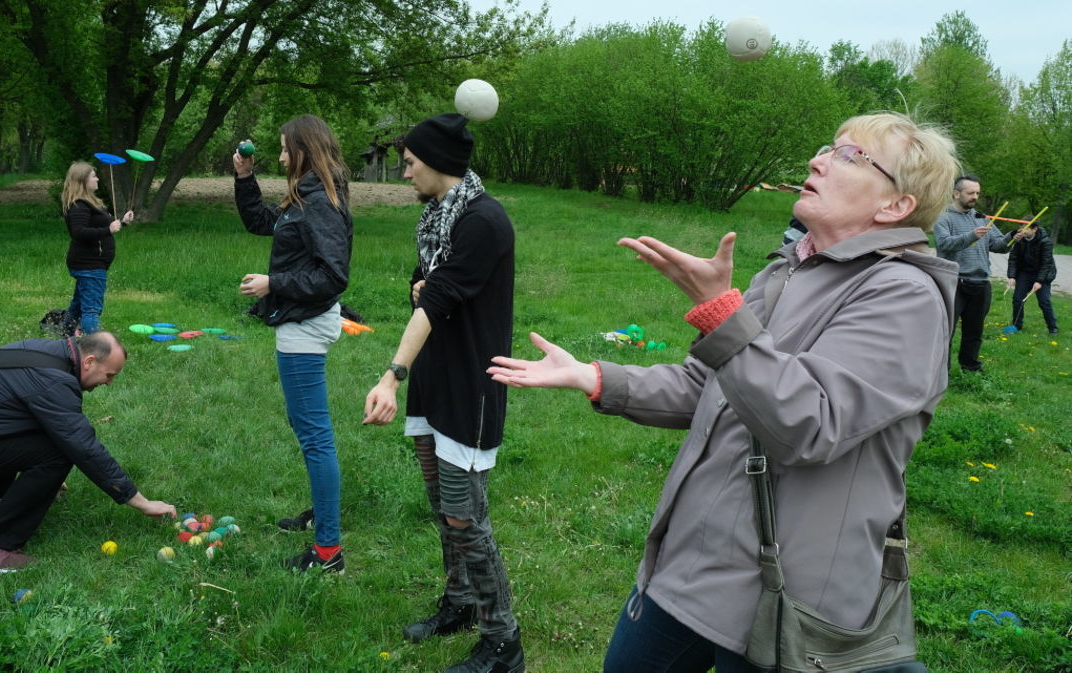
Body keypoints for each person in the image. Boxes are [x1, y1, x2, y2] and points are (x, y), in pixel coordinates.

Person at [489, 112, 958, 673]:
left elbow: (810, 423)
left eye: (850, 156)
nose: (818, 161)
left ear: (894, 207)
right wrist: (595, 377)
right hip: (694, 562)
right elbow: (706, 386)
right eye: (827, 148)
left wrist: (721, 314)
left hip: (788, 595)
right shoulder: (785, 272)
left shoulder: (904, 295)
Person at [363, 113, 523, 673]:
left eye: (409, 163)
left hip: (468, 389)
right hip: (436, 380)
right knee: (441, 506)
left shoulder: (483, 221)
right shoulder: (438, 218)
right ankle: (459, 603)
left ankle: (503, 642)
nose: (405, 173)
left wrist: (391, 375)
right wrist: (419, 288)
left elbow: (438, 299)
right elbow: (426, 289)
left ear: (435, 164)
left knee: (464, 516)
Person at [0, 331, 176, 573]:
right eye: (109, 375)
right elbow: (84, 448)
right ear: (90, 361)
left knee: (46, 440)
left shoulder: (45, 350)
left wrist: (44, 478)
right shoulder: (54, 380)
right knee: (59, 452)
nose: (109, 383)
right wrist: (139, 501)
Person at [234, 115, 353, 574]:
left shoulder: (320, 201)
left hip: (305, 323)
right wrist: (245, 179)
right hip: (302, 320)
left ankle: (328, 553)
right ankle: (321, 515)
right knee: (306, 426)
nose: (280, 156)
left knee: (315, 437)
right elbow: (262, 221)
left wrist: (273, 283)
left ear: (304, 149)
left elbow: (332, 275)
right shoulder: (308, 194)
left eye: (285, 149)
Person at [933, 174, 1011, 372]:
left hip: (981, 282)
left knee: (974, 330)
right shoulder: (943, 217)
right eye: (970, 193)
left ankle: (970, 367)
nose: (975, 196)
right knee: (945, 331)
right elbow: (944, 244)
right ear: (956, 193)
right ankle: (941, 371)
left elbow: (998, 245)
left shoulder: (981, 217)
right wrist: (971, 235)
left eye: (977, 193)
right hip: (954, 282)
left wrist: (1013, 237)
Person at [61, 161, 133, 336]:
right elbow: (79, 232)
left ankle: (65, 333)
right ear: (82, 180)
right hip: (89, 264)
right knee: (91, 308)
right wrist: (108, 230)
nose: (97, 178)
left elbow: (97, 226)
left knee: (79, 303)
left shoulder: (90, 202)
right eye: (93, 176)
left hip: (91, 263)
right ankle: (93, 347)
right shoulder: (79, 205)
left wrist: (122, 222)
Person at [1006, 216, 1059, 334]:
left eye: (1024, 227)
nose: (1021, 229)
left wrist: (1039, 281)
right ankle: (1017, 326)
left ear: (1034, 229)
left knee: (1044, 301)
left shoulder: (1045, 241)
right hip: (1025, 273)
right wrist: (1012, 276)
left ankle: (1053, 328)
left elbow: (1046, 264)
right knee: (1017, 299)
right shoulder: (1019, 240)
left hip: (1042, 274)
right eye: (1020, 226)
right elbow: (1013, 259)